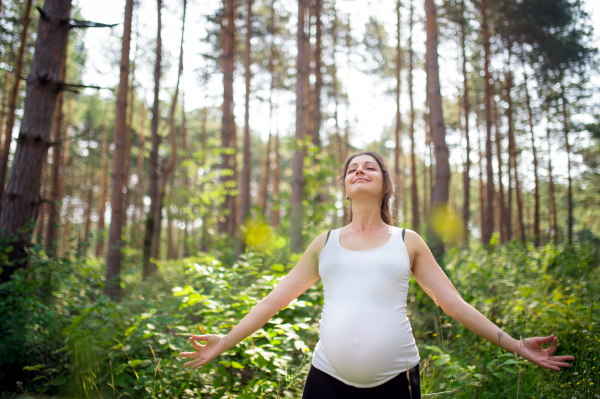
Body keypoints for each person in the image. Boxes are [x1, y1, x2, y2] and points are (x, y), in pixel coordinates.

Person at [179, 150, 575, 398]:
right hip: (326, 378)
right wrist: (225, 340)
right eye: (353, 169)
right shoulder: (324, 243)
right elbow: (274, 299)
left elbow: (454, 305)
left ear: (386, 186)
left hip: (395, 380)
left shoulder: (407, 240)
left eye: (371, 167)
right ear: (346, 189)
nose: (360, 171)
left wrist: (517, 345)